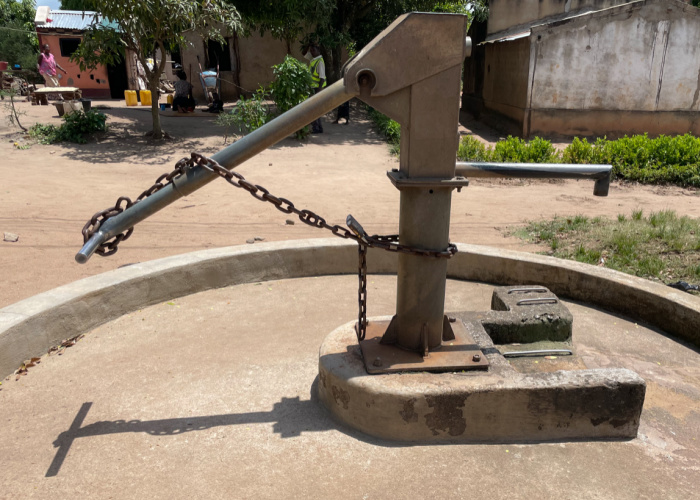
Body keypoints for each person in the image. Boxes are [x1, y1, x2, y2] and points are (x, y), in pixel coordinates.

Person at [303, 43, 326, 133]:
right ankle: (319, 127)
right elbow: (304, 53)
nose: (312, 52)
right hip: (313, 88)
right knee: (315, 108)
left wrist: (318, 92)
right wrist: (308, 45)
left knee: (313, 109)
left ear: (318, 50)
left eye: (313, 50)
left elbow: (322, 78)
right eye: (311, 51)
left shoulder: (319, 62)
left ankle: (316, 128)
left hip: (317, 88)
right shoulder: (313, 59)